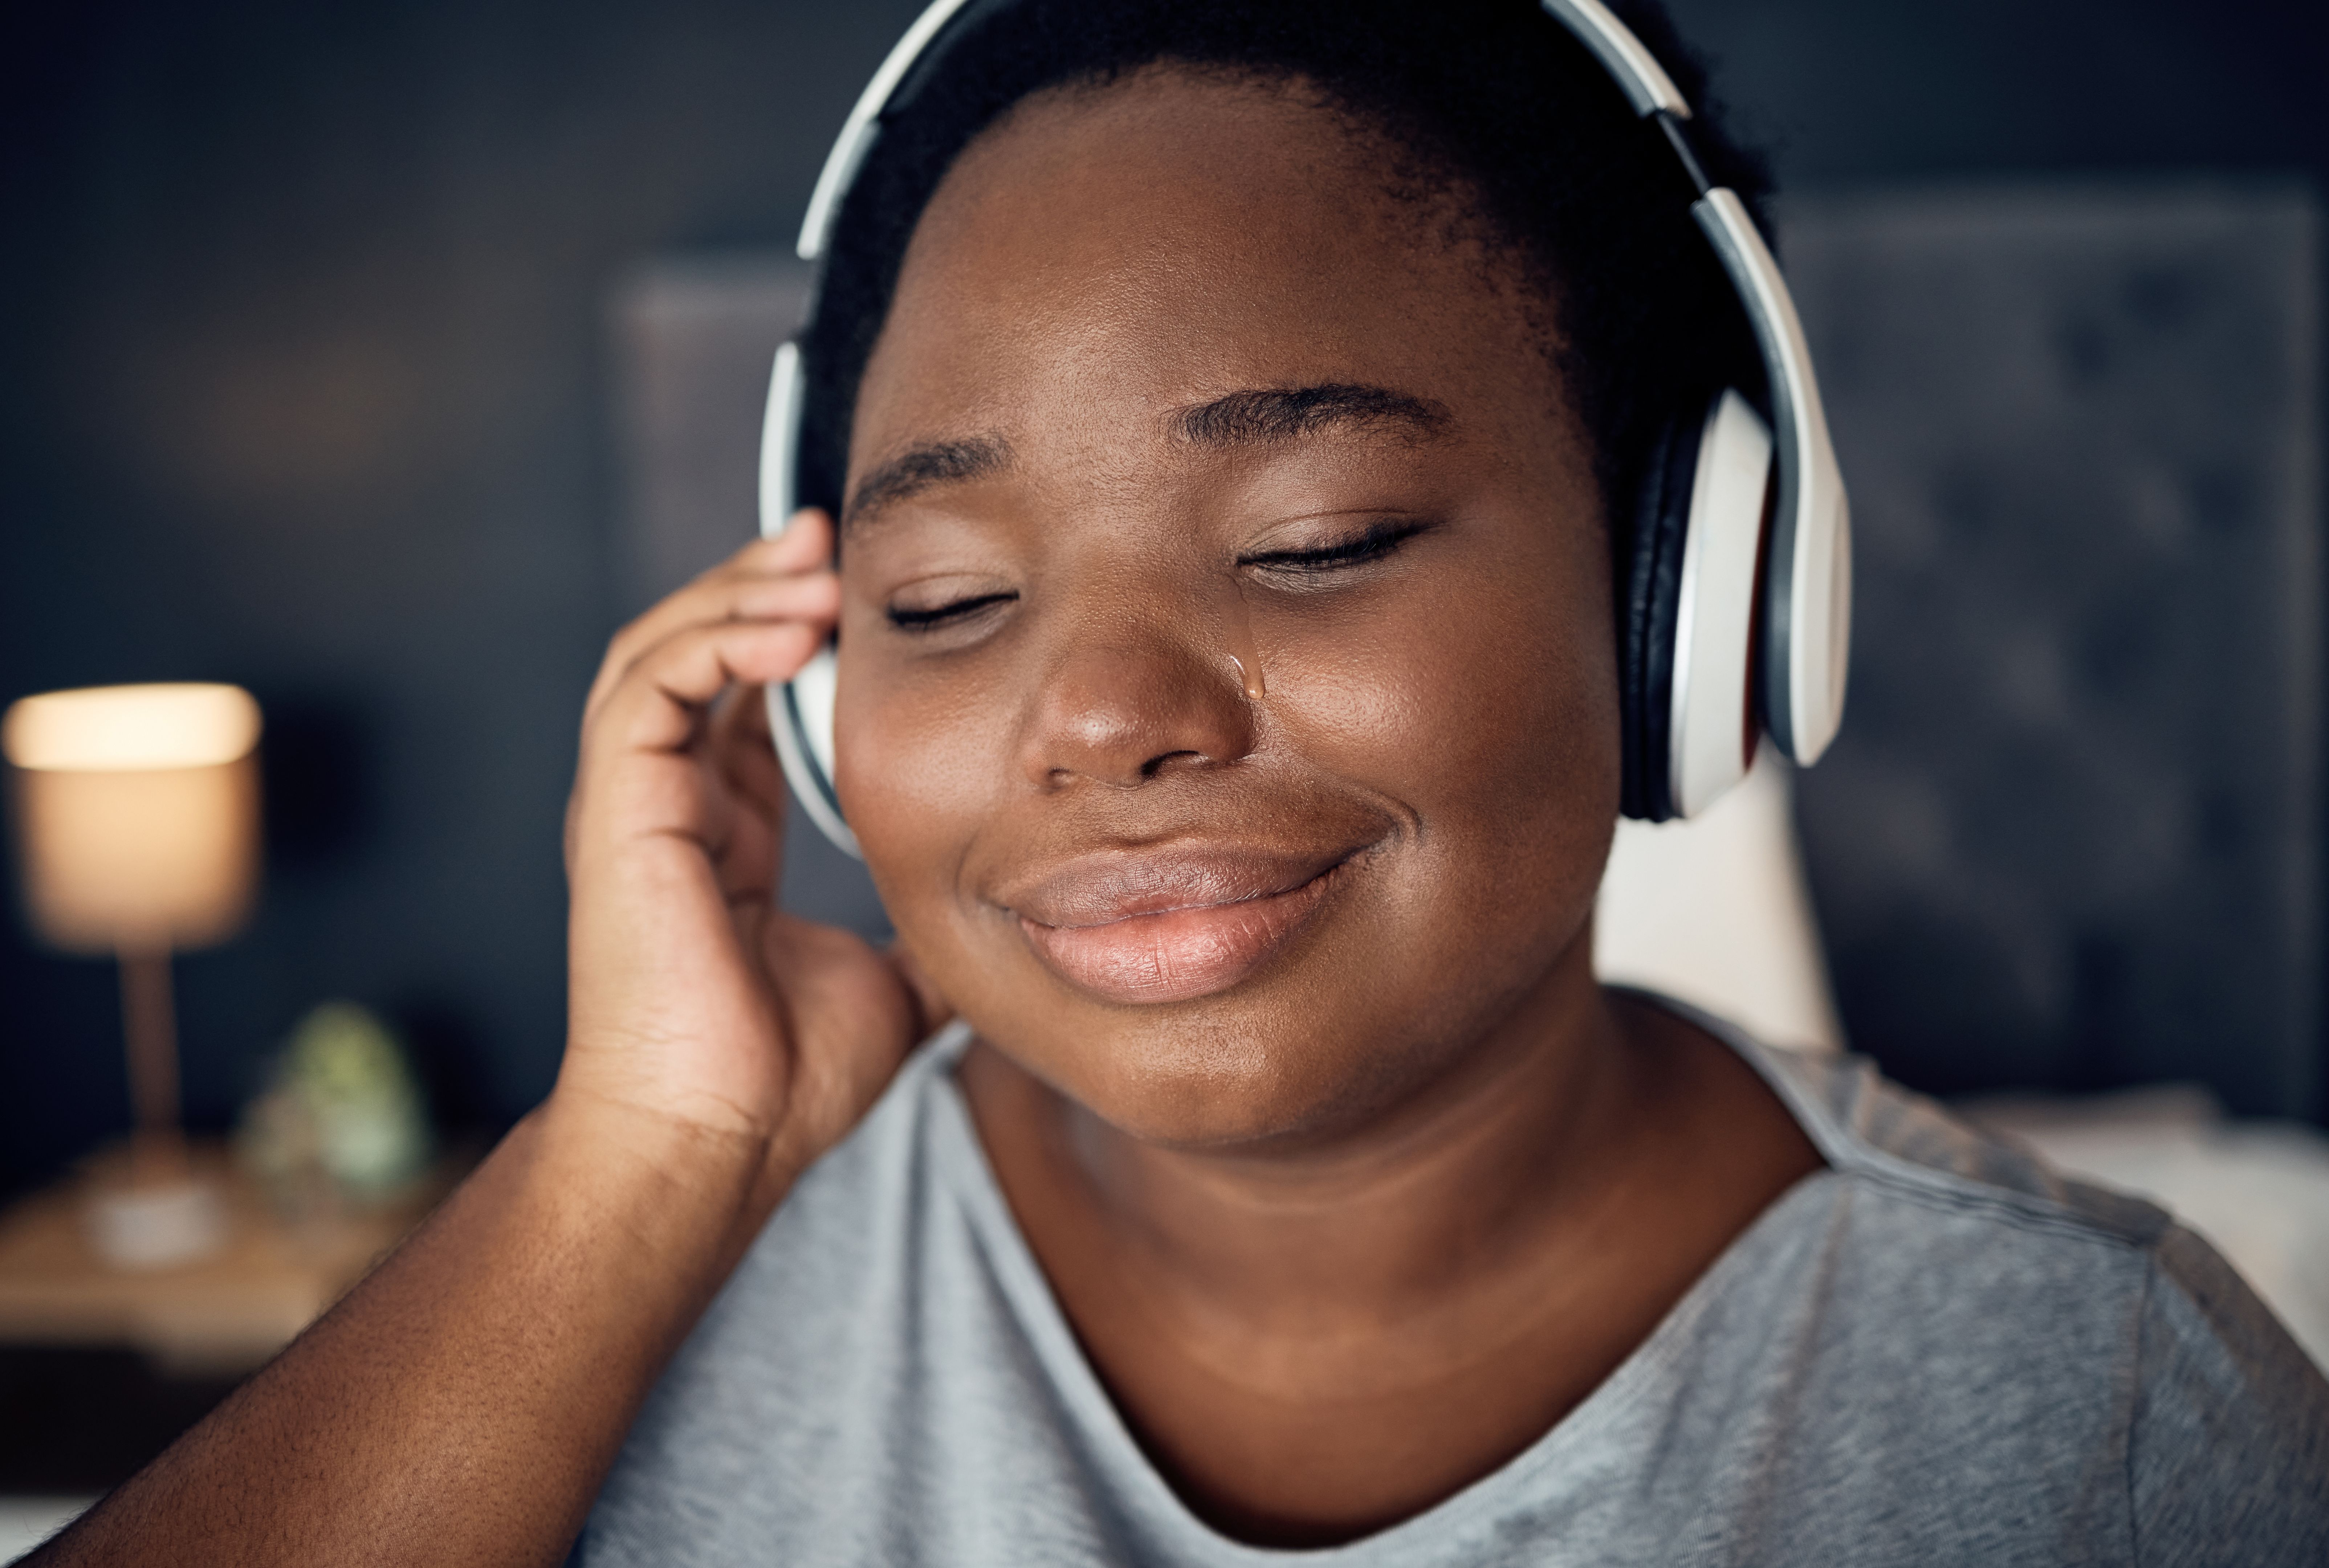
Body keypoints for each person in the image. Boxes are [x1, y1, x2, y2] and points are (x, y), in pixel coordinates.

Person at [35, 1, 2328, 1563]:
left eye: (1313, 543)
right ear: (819, 696)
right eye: (941, 601)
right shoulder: (622, 1308)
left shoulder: (2100, 1409)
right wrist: (635, 1158)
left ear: (1690, 601)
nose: (1102, 713)